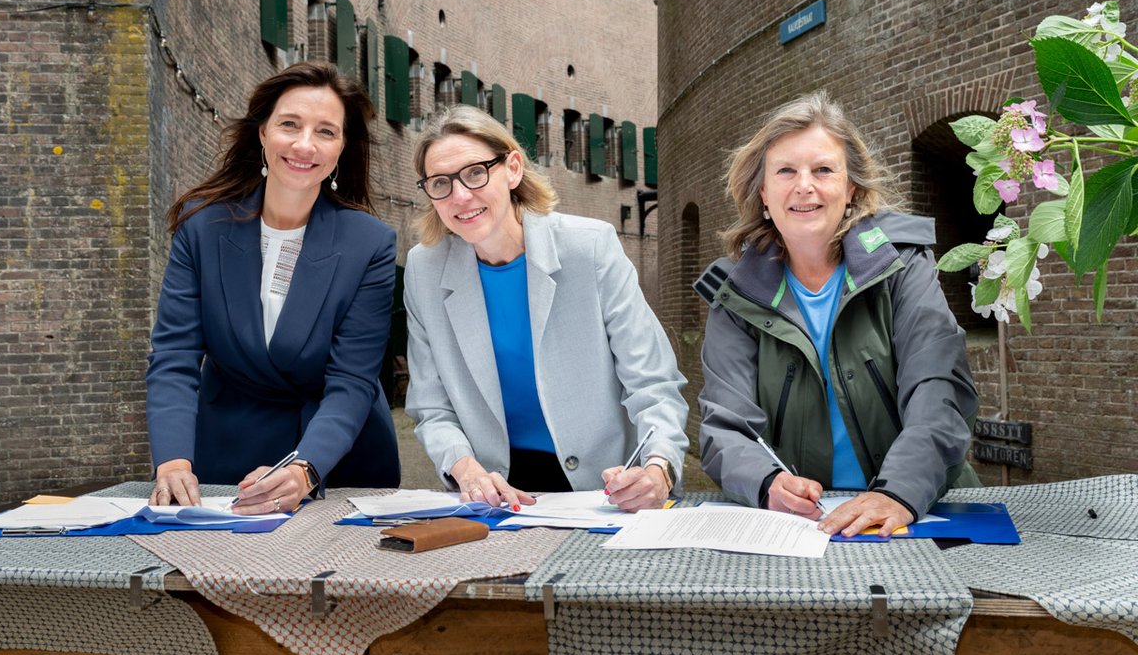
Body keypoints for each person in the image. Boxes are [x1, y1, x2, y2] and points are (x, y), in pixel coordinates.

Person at [697, 91, 980, 538]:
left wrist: (899, 492)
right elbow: (725, 425)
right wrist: (768, 483)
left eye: (823, 170)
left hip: (918, 510)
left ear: (850, 189)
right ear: (764, 193)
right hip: (802, 527)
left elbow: (938, 387)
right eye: (786, 171)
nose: (804, 185)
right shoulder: (735, 295)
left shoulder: (901, 266)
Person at [404, 105, 688, 512]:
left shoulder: (589, 248)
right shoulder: (423, 269)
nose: (460, 196)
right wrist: (465, 470)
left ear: (513, 168)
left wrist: (658, 470)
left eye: (475, 173)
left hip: (603, 488)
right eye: (440, 183)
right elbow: (431, 406)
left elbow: (653, 384)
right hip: (494, 491)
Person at [146, 61, 400, 515]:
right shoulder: (201, 228)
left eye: (326, 131)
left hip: (337, 456)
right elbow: (174, 356)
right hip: (226, 452)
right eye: (289, 124)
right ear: (262, 133)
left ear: (342, 147)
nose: (305, 144)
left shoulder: (370, 243)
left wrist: (306, 469)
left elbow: (352, 379)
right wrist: (172, 462)